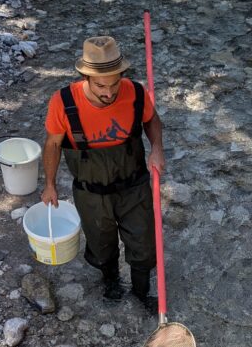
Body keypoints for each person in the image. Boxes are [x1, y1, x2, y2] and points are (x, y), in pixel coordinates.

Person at [41, 35, 164, 307]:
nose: (109, 93)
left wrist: (157, 148)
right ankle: (111, 282)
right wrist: (49, 184)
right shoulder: (63, 101)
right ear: (85, 77)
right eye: (100, 85)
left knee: (144, 245)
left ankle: (142, 293)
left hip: (134, 187)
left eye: (114, 84)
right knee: (101, 245)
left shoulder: (135, 92)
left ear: (122, 75)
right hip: (91, 192)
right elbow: (52, 144)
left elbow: (152, 120)